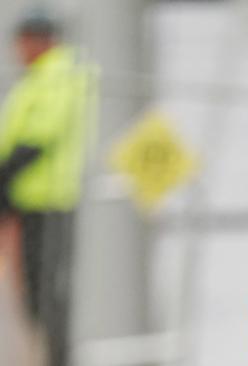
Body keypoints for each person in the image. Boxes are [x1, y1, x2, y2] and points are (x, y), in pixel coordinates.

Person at [0, 8, 97, 366]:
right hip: (27, 201)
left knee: (47, 296)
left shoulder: (59, 73)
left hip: (48, 202)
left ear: (39, 41)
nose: (17, 51)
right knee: (34, 296)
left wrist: (4, 175)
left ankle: (56, 360)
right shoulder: (39, 76)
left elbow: (38, 137)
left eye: (22, 42)